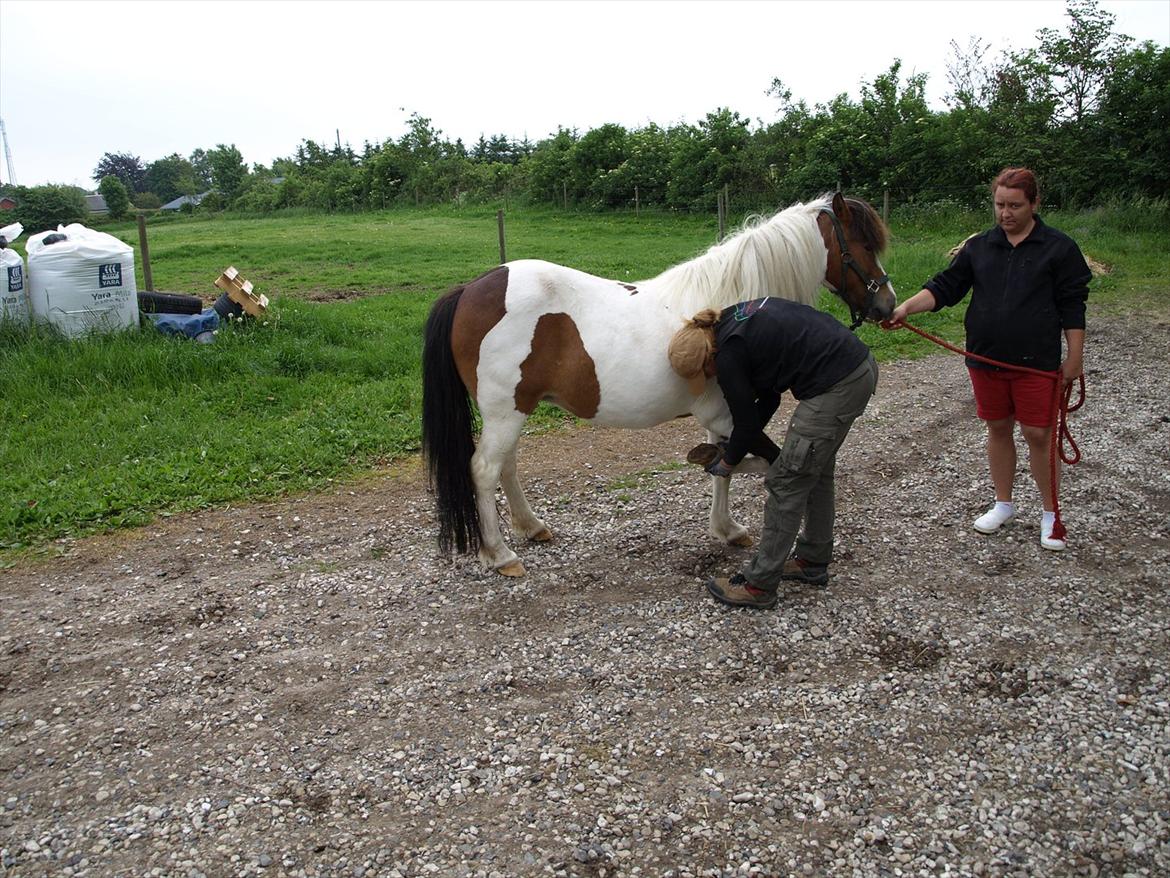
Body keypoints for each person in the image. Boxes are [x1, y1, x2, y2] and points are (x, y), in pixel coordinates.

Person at [884, 167, 1090, 551]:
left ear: (1034, 204)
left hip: (1035, 363)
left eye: (1014, 205)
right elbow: (946, 287)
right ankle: (1003, 503)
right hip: (984, 359)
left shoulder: (1059, 248)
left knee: (1038, 434)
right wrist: (906, 308)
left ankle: (1050, 513)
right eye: (999, 205)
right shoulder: (979, 246)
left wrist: (1074, 357)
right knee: (997, 428)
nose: (1005, 213)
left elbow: (1072, 305)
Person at [668, 297, 878, 610]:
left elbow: (747, 419)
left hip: (835, 385)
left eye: (705, 372)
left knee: (787, 480)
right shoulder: (731, 325)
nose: (710, 378)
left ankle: (759, 584)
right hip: (855, 368)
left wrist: (727, 462)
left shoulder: (727, 356)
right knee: (816, 473)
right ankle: (812, 559)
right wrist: (735, 448)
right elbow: (768, 401)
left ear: (709, 356)